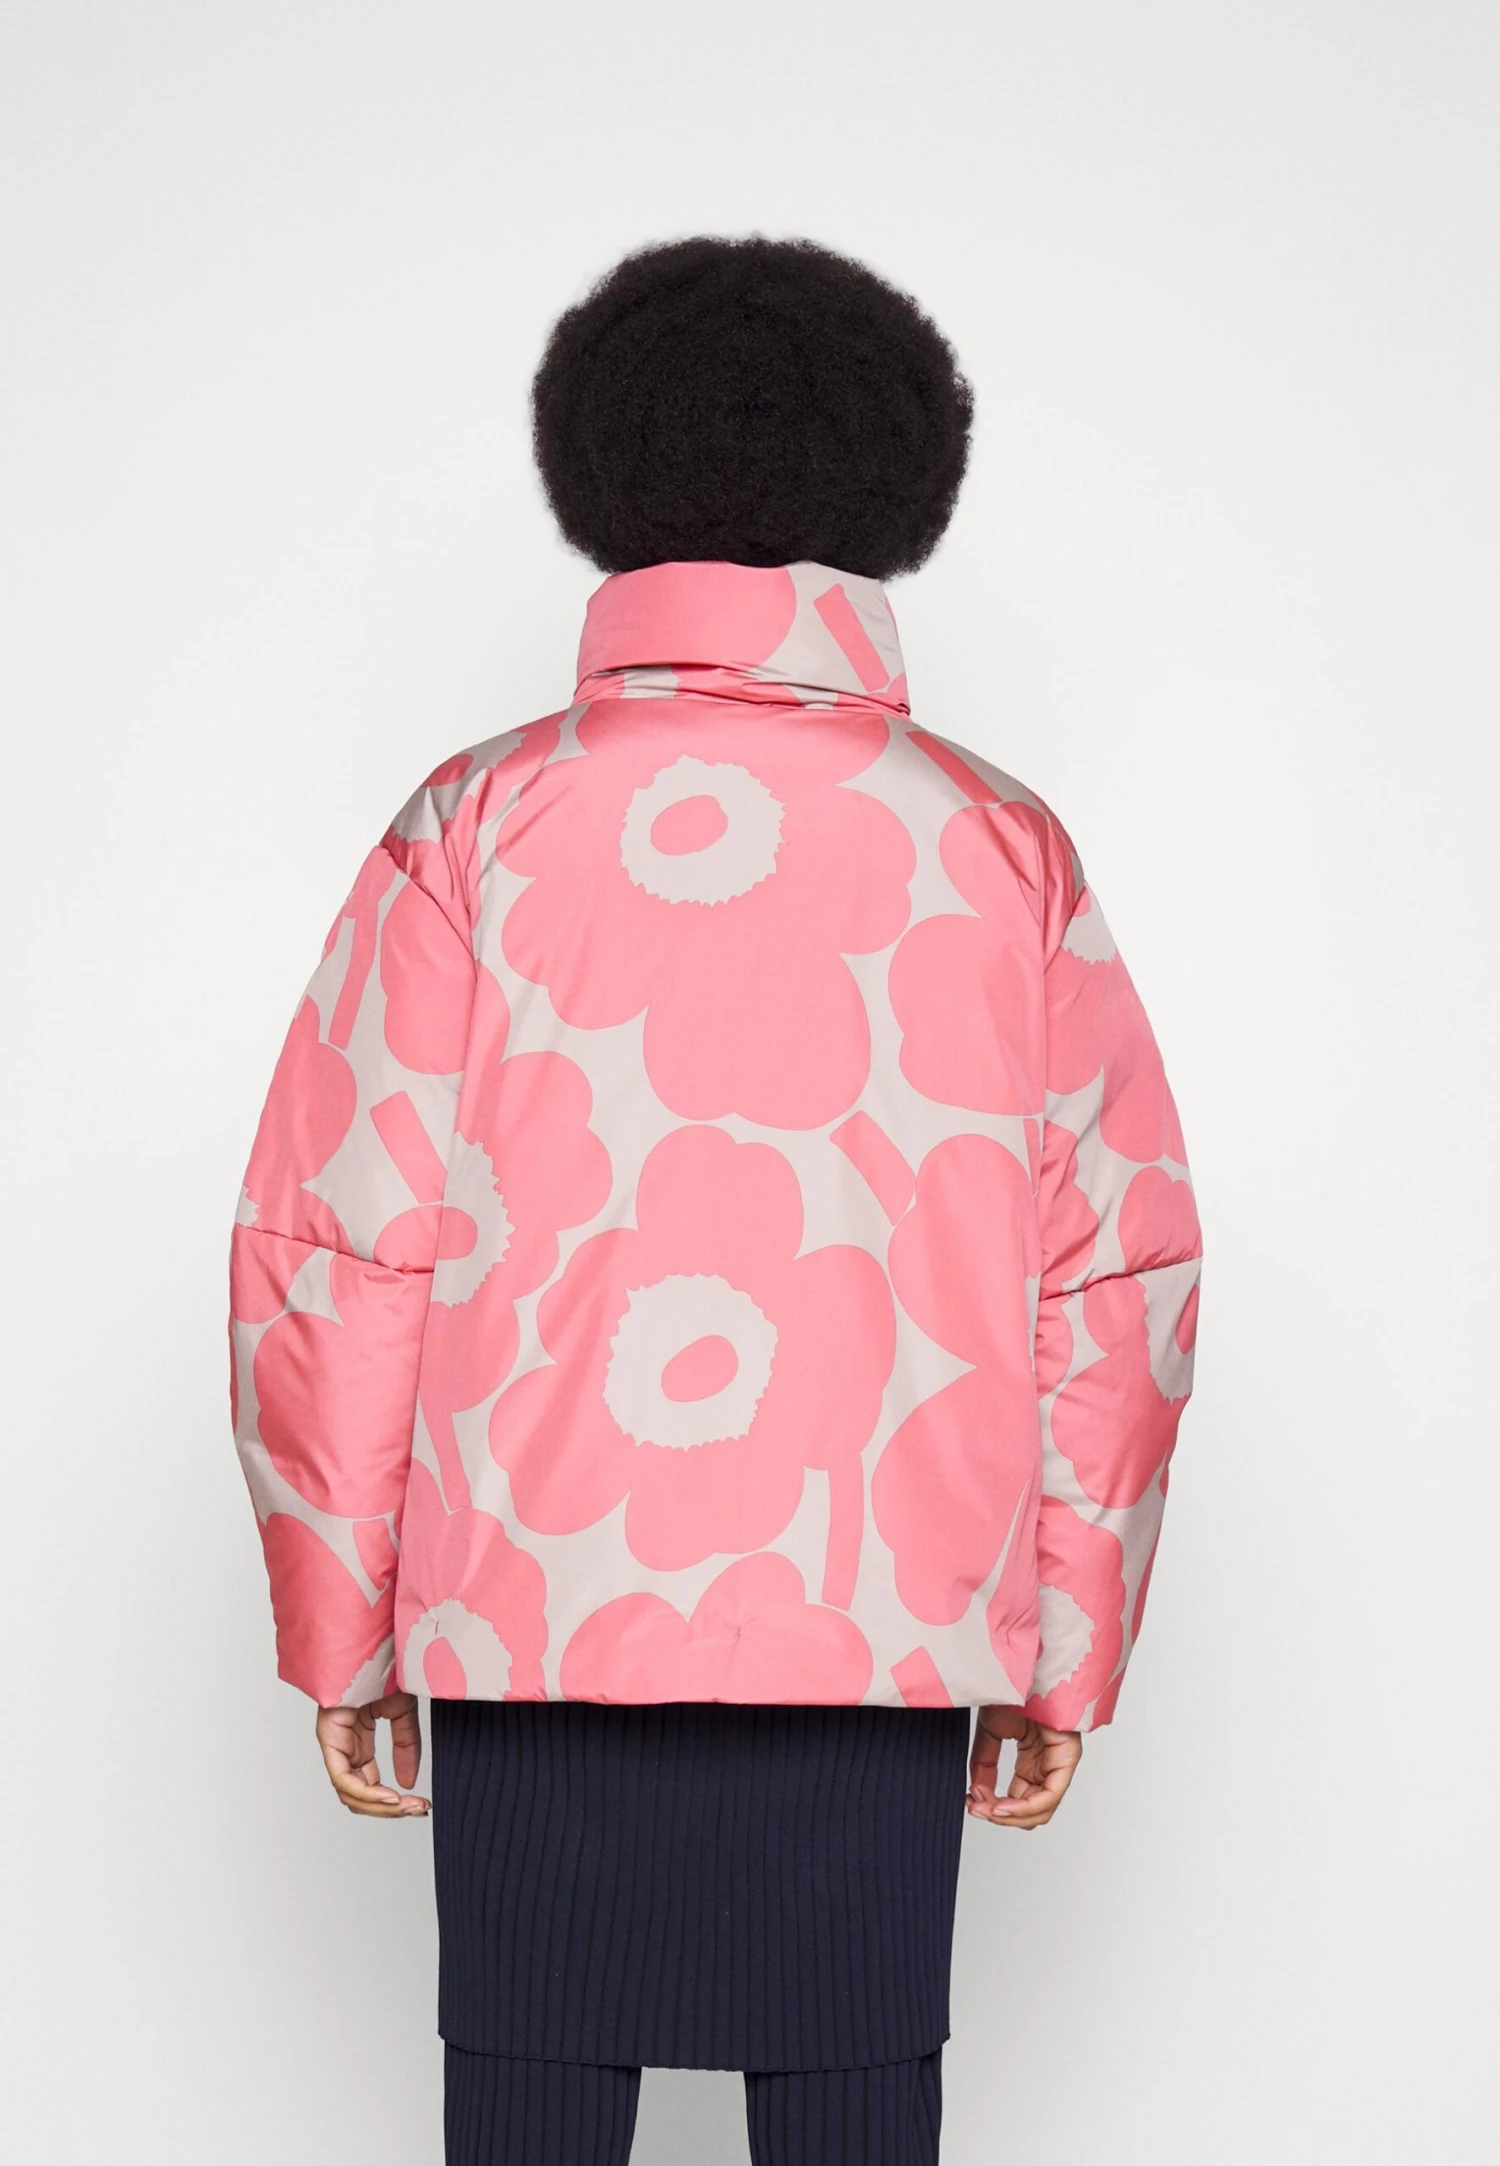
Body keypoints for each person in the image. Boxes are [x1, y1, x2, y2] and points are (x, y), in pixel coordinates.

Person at [228, 234, 1202, 2166]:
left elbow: (340, 1245)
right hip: (886, 1616)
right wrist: (1065, 1634)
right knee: (856, 2096)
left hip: (535, 1607)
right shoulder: (998, 844)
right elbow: (1109, 1269)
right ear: (891, 479)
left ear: (604, 470)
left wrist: (347, 1620)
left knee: (528, 2087)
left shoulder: (474, 823)